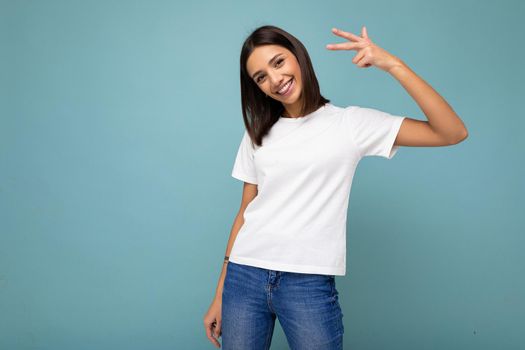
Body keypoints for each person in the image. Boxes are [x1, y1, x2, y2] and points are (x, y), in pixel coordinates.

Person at [203, 24, 468, 349]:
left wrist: (393, 65)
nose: (275, 80)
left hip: (307, 282)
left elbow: (451, 132)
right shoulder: (258, 133)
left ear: (298, 56)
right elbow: (245, 210)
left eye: (278, 62)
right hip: (244, 276)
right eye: (260, 77)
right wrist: (220, 292)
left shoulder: (350, 124)